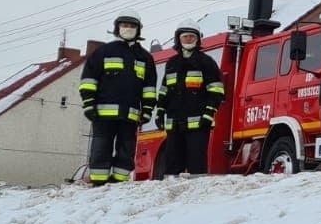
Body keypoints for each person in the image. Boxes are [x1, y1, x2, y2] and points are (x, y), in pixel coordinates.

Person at [80, 13, 158, 186]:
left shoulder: (145, 57)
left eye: (132, 26)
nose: (128, 29)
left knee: (126, 150)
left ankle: (119, 184)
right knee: (101, 149)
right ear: (117, 28)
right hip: (102, 115)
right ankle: (98, 183)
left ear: (138, 30)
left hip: (130, 116)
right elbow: (88, 81)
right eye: (124, 25)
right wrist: (88, 105)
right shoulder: (103, 52)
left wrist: (147, 111)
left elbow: (149, 89)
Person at [155, 25, 226, 176]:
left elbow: (217, 90)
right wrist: (160, 112)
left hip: (198, 125)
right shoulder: (171, 64)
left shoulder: (206, 62)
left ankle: (197, 195)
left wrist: (209, 114)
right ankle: (170, 193)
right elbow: (164, 91)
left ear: (198, 39)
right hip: (174, 124)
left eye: (192, 37)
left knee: (197, 163)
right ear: (179, 40)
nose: (188, 39)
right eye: (185, 36)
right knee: (172, 163)